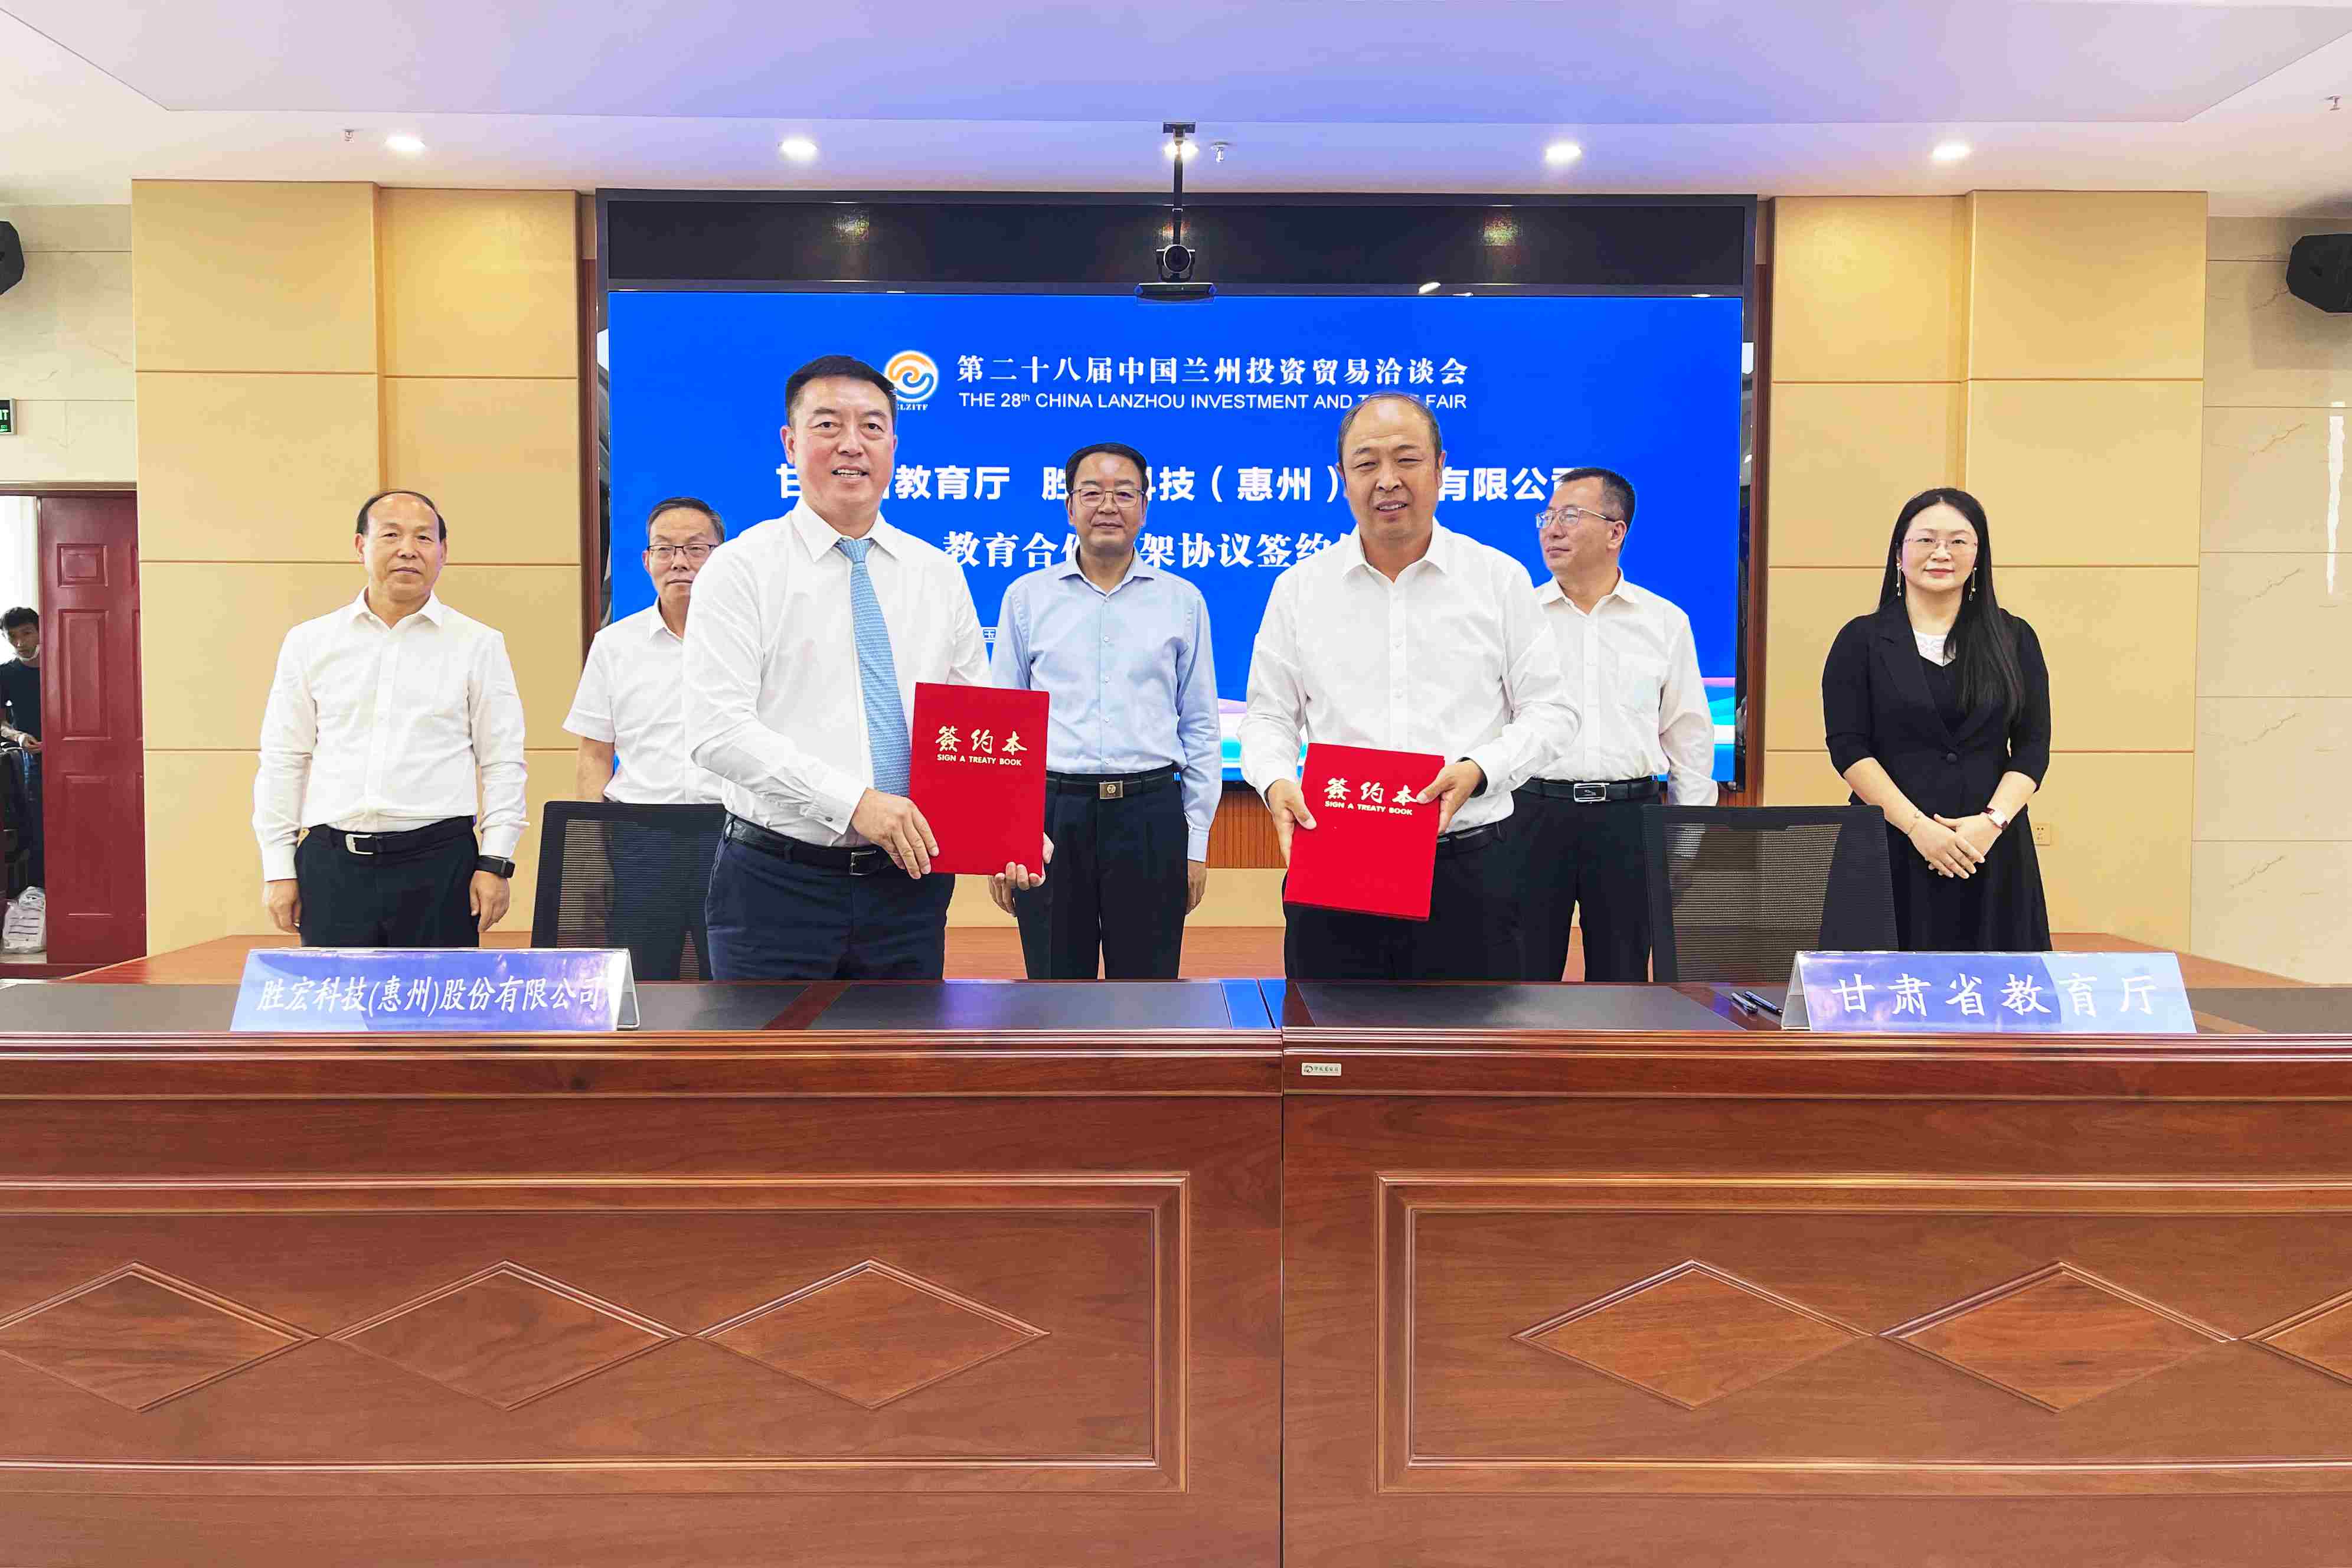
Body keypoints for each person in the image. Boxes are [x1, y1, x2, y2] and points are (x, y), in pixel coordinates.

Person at [682, 354, 1046, 979]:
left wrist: (1006, 824)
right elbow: (717, 731)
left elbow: (974, 725)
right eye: (828, 424)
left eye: (872, 427)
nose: (852, 444)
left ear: (893, 448)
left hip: (909, 887)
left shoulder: (937, 573)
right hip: (776, 885)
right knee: (774, 1049)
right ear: (790, 443)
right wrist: (854, 803)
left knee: (903, 1048)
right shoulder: (741, 569)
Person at [1240, 393, 1574, 981]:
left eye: (1407, 459)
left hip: (1470, 868)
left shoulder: (1497, 579)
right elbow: (1268, 716)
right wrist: (1274, 782)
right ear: (1342, 478)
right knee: (1329, 1035)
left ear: (1441, 468)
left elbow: (1552, 710)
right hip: (1336, 861)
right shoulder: (1300, 588)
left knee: (1470, 1036)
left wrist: (1479, 769)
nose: (1387, 480)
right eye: (1366, 463)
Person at [252, 490, 528, 948]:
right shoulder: (309, 643)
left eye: (424, 537)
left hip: (441, 866)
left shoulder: (478, 644)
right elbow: (284, 759)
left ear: (443, 552)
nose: (408, 549)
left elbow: (502, 761)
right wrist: (278, 867)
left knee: (438, 995)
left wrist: (495, 862)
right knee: (338, 996)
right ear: (360, 546)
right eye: (391, 535)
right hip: (333, 866)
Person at [986, 441, 1220, 978]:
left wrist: (1195, 844)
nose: (1108, 506)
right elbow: (1003, 727)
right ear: (1069, 507)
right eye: (1091, 493)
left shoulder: (1183, 602)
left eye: (1124, 493)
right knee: (1053, 991)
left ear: (1145, 507)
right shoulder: (1026, 598)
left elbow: (1201, 728)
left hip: (1150, 816)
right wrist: (1004, 837)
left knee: (1146, 996)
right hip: (1051, 818)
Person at [1822, 486, 2052, 951]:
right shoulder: (1860, 640)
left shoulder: (2015, 638)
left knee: (1998, 990)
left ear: (1978, 556)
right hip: (1889, 845)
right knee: (1882, 990)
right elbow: (1848, 747)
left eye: (1958, 541)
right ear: (1899, 553)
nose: (1941, 553)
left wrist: (1991, 823)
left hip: (1990, 850)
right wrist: (1917, 827)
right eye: (1926, 540)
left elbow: (2032, 746)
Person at [1515, 468, 1717, 982]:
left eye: (1569, 516)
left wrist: (1687, 839)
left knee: (1623, 982)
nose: (1551, 529)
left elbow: (1689, 736)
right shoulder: (1518, 617)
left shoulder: (1663, 621)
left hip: (1629, 821)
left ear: (1615, 531)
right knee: (1523, 981)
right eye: (1547, 517)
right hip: (1532, 816)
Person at [563, 496, 730, 979]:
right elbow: (595, 752)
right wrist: (591, 848)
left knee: (733, 983)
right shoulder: (615, 645)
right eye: (665, 549)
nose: (679, 562)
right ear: (646, 560)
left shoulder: (750, 640)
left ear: (721, 558)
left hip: (730, 834)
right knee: (640, 981)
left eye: (695, 549)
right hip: (640, 839)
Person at [0, 607, 43, 896]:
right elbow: (1, 723)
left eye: (27, 633)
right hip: (33, 758)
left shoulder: (63, 663)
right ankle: (40, 893)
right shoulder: (6, 673)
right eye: (12, 637)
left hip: (77, 755)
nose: (20, 643)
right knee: (37, 827)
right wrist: (18, 736)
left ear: (41, 631)